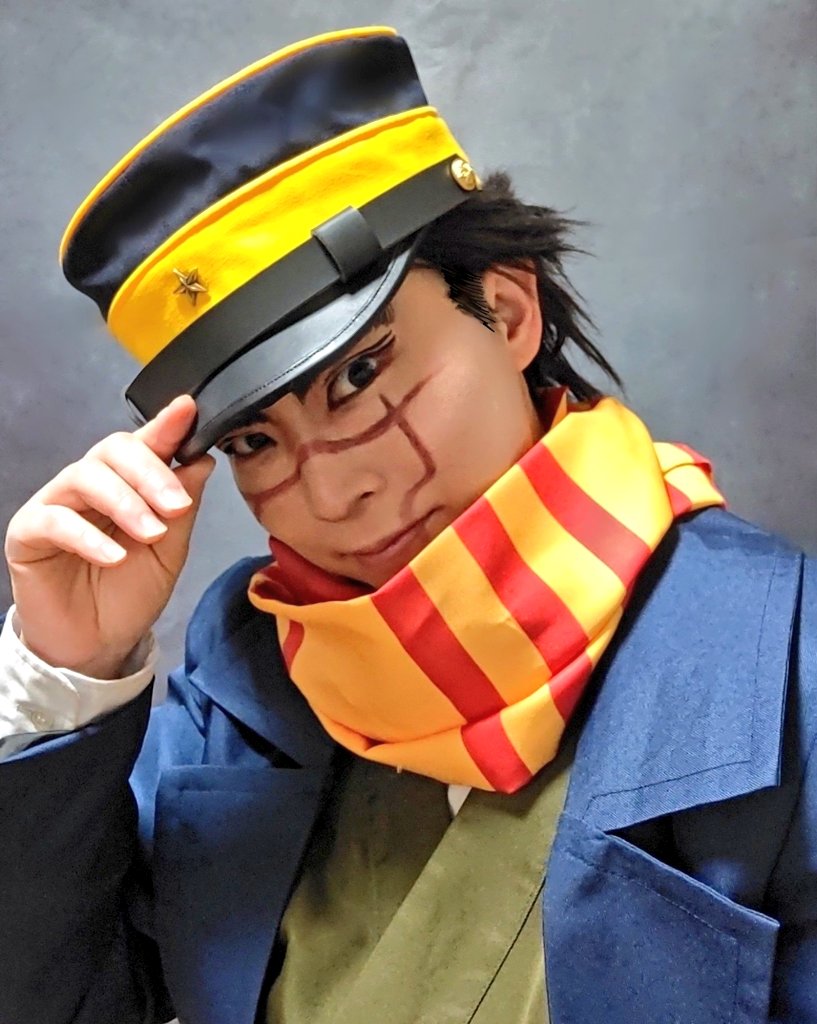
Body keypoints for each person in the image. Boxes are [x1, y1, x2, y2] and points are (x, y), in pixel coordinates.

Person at [0, 25, 814, 1024]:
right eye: (253, 439)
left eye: (358, 374)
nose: (330, 494)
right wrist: (68, 671)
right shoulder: (249, 666)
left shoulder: (780, 662)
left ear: (506, 312)